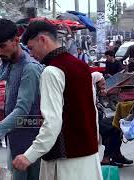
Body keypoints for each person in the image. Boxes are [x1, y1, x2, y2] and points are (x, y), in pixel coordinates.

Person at [13, 20, 102, 180]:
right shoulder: (80, 66)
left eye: (31, 48)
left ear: (43, 40)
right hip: (88, 156)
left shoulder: (52, 71)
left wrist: (29, 156)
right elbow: (92, 111)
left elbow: (52, 123)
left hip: (65, 162)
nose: (31, 54)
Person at [0, 19, 44, 180]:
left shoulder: (30, 68)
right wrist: (5, 56)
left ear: (16, 40)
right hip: (14, 138)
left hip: (31, 141)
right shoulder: (11, 62)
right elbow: (0, 76)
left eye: (2, 46)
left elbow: (22, 111)